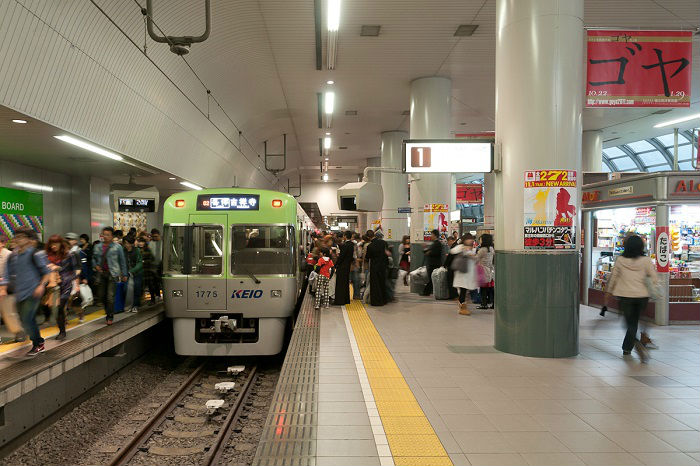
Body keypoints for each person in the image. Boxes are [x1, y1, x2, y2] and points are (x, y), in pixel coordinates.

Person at [0, 227, 51, 356]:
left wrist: (41, 286)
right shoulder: (12, 256)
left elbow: (46, 273)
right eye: (16, 236)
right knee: (26, 320)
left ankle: (38, 343)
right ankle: (38, 342)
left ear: (28, 240)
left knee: (27, 319)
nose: (18, 239)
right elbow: (6, 275)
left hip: (33, 293)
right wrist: (3, 288)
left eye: (21, 237)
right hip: (19, 293)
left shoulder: (34, 254)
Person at [606, 235, 657, 362]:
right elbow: (654, 278)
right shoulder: (646, 261)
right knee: (634, 322)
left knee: (630, 324)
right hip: (642, 296)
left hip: (625, 296)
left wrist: (609, 292)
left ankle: (637, 345)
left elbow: (614, 277)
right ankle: (627, 348)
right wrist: (654, 289)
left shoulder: (621, 260)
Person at [45, 235, 80, 340]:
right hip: (53, 286)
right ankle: (62, 328)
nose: (53, 246)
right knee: (55, 309)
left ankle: (62, 331)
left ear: (61, 244)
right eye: (51, 244)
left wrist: (76, 283)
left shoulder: (69, 255)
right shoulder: (48, 256)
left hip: (66, 284)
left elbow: (76, 270)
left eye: (55, 243)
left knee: (60, 307)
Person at [92, 227, 128, 325]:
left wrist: (124, 274)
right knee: (101, 296)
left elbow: (122, 261)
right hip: (101, 274)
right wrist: (95, 266)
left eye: (108, 235)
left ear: (112, 236)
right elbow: (93, 259)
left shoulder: (117, 247)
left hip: (113, 274)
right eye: (104, 234)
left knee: (110, 297)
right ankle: (108, 311)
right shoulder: (97, 247)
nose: (106, 237)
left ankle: (110, 315)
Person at [0, 235, 25, 343]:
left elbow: (15, 273)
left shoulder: (9, 255)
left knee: (9, 313)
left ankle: (19, 332)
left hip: (7, 288)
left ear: (3, 243)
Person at [450, 235, 477, 315]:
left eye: (471, 240)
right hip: (462, 272)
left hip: (469, 273)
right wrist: (463, 249)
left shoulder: (473, 248)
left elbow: (475, 258)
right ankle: (462, 307)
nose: (470, 241)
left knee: (465, 290)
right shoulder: (461, 246)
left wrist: (473, 256)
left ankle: (462, 305)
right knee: (463, 289)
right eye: (468, 239)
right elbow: (452, 251)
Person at [365, 230, 389, 306]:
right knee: (382, 282)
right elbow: (387, 253)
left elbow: (367, 257)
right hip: (383, 266)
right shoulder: (383, 243)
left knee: (375, 285)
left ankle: (376, 301)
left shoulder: (370, 246)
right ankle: (384, 300)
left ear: (368, 237)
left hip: (374, 267)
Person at [123, 236, 143, 312]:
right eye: (124, 243)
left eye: (127, 243)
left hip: (137, 273)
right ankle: (128, 305)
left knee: (136, 288)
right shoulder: (123, 251)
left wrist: (132, 270)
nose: (126, 245)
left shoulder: (137, 251)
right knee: (126, 289)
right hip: (127, 273)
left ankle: (135, 305)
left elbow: (140, 262)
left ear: (131, 244)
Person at [334, 231, 354, 305]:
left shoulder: (346, 245)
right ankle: (346, 300)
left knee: (340, 284)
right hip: (347, 266)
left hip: (342, 267)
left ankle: (340, 301)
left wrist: (336, 264)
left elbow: (342, 257)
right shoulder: (351, 245)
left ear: (345, 236)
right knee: (345, 283)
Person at [476, 234, 495, 309]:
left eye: (481, 239)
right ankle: (493, 303)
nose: (480, 240)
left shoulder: (482, 250)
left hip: (483, 270)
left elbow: (476, 259)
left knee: (483, 288)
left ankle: (484, 304)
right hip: (490, 270)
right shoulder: (491, 248)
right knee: (491, 288)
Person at [422, 229, 442, 296]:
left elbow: (433, 253)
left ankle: (426, 292)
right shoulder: (434, 244)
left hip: (434, 264)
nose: (431, 236)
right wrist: (426, 250)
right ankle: (427, 292)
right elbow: (428, 252)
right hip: (432, 264)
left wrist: (428, 252)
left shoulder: (438, 244)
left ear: (435, 235)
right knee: (431, 278)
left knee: (431, 278)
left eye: (432, 235)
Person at [138, 235, 158, 305]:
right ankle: (140, 301)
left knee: (150, 285)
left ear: (144, 243)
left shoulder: (147, 249)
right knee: (141, 286)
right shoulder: (137, 249)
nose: (140, 243)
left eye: (142, 242)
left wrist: (145, 261)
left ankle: (153, 299)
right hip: (140, 271)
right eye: (139, 242)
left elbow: (152, 258)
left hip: (147, 270)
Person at [351, 233, 363, 300]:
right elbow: (358, 255)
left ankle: (356, 295)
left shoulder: (355, 244)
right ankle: (356, 295)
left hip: (353, 264)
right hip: (355, 265)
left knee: (355, 280)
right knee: (356, 281)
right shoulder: (357, 245)